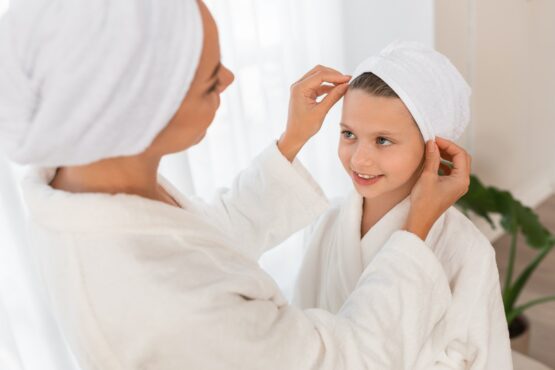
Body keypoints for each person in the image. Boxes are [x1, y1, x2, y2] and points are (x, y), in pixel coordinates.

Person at [0, 1, 471, 369]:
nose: (229, 78)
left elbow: (205, 242)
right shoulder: (162, 302)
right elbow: (344, 362)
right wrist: (413, 235)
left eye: (383, 139)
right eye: (209, 81)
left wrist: (291, 142)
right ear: (141, 108)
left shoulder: (84, 183)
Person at [293, 42, 513, 369]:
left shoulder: (466, 250)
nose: (359, 158)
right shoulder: (325, 223)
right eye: (349, 133)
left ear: (433, 147)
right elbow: (299, 336)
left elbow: (487, 358)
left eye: (383, 140)